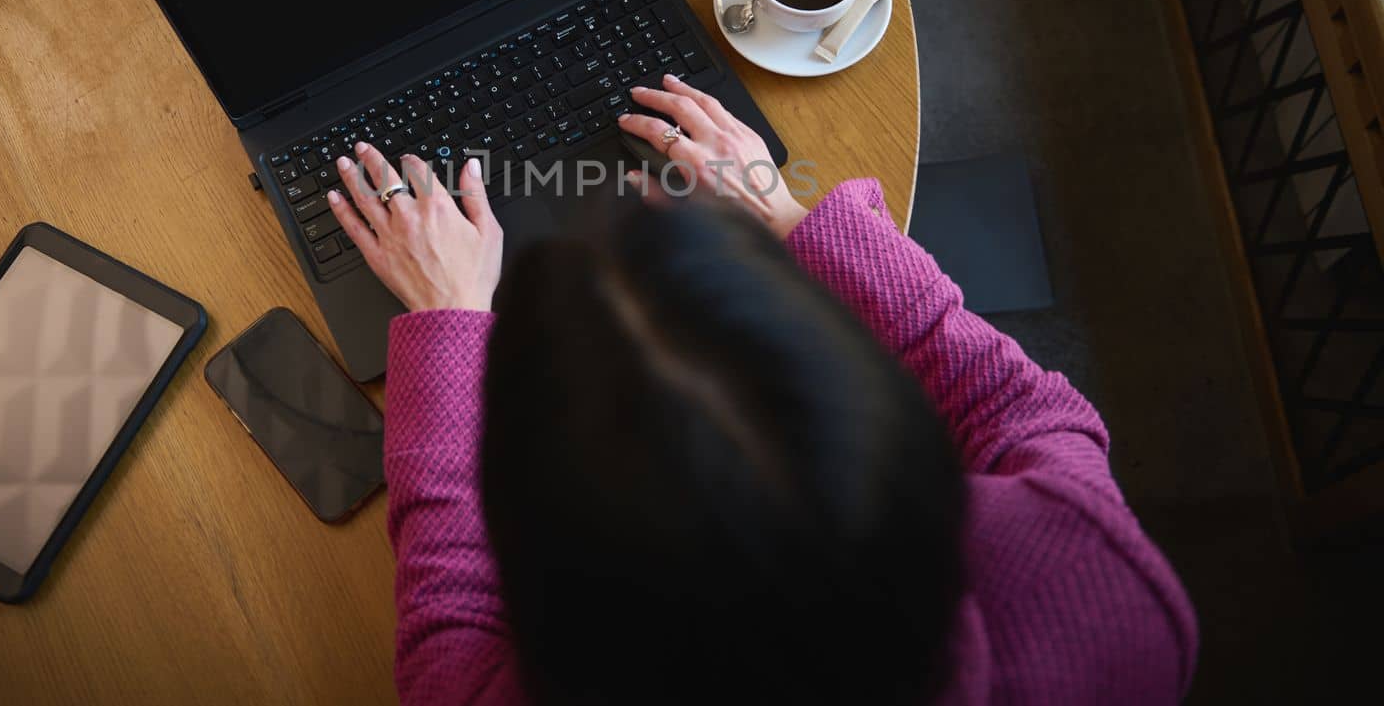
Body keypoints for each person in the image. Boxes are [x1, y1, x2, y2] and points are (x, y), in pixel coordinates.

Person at [327, 73, 1198, 705]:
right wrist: (788, 217)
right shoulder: (1101, 592)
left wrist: (449, 319)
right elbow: (1020, 411)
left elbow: (450, 644)